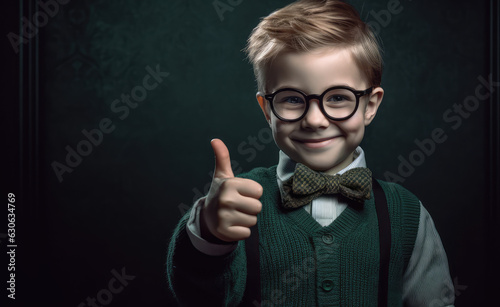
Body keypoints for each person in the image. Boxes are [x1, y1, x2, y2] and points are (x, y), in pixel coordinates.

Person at [167, 0, 455, 305]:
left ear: (370, 105)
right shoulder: (236, 204)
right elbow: (198, 297)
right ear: (267, 110)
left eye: (339, 97)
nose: (315, 120)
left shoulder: (408, 214)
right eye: (292, 99)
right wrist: (210, 234)